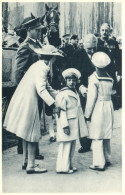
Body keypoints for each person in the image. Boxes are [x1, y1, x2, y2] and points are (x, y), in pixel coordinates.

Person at [3, 45, 63, 174]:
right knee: (32, 133)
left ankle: (25, 161)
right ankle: (31, 165)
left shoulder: (38, 65)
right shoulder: (44, 68)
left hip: (24, 99)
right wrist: (54, 104)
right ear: (52, 58)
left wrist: (59, 94)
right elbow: (41, 89)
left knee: (26, 132)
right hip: (29, 101)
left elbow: (46, 87)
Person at [14, 15, 45, 158]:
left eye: (40, 30)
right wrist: (24, 90)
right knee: (28, 120)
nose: (40, 32)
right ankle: (25, 150)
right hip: (29, 90)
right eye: (36, 30)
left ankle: (33, 151)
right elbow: (18, 71)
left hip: (38, 88)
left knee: (36, 119)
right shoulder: (25, 46)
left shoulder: (38, 44)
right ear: (29, 30)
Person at [85, 52, 114, 171]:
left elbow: (91, 98)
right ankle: (107, 158)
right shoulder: (109, 77)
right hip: (109, 106)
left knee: (97, 135)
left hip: (99, 106)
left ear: (94, 64)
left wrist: (87, 114)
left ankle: (98, 163)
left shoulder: (93, 78)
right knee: (106, 134)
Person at [56, 68, 88, 174]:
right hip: (67, 124)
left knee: (72, 145)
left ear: (77, 81)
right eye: (69, 80)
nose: (71, 82)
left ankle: (69, 165)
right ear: (65, 81)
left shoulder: (74, 91)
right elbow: (61, 112)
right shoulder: (63, 93)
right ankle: (63, 168)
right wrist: (64, 125)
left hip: (74, 123)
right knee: (66, 146)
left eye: (73, 80)